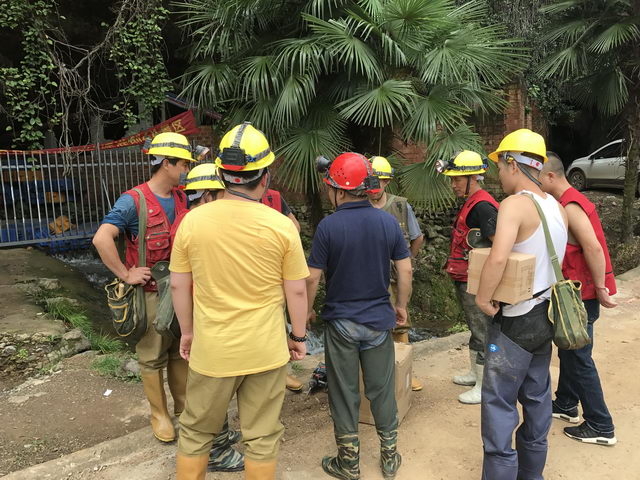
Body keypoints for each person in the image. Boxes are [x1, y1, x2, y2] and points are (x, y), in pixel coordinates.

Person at [170, 122, 309, 479]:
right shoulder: (281, 226)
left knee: (197, 432)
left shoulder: (193, 222)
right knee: (262, 437)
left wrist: (187, 333)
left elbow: (178, 286)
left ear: (220, 174)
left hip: (213, 348)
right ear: (265, 175)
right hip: (265, 348)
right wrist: (298, 336)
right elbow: (296, 289)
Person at [307, 152, 413, 480]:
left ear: (340, 190)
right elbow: (405, 269)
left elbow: (312, 277)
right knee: (382, 389)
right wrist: (401, 305)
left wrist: (307, 309)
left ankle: (349, 463)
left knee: (344, 391)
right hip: (378, 322)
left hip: (341, 323)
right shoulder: (386, 222)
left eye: (330, 188)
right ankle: (390, 456)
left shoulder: (328, 226)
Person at [475, 129, 568, 480]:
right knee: (536, 394)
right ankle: (532, 474)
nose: (498, 174)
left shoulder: (514, 205)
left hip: (515, 319)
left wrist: (483, 298)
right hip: (546, 316)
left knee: (499, 402)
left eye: (500, 165)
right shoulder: (554, 206)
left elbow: (498, 259)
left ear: (513, 164)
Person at [92, 132, 194, 443]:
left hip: (179, 291)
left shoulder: (181, 197)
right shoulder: (133, 200)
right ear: (167, 163)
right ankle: (158, 414)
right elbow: (101, 237)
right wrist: (125, 273)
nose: (187, 170)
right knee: (151, 356)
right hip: (150, 294)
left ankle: (183, 410)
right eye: (184, 164)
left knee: (180, 352)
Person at [539, 152, 618, 446]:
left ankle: (601, 424)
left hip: (582, 294)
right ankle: (566, 404)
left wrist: (600, 288)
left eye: (539, 176)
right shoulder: (567, 202)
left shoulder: (571, 206)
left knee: (579, 357)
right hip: (579, 291)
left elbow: (593, 248)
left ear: (550, 176)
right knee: (569, 351)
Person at [170, 163, 245, 472]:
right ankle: (217, 449)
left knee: (211, 387)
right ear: (211, 194)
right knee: (210, 391)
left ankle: (222, 437)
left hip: (201, 314)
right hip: (204, 317)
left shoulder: (187, 221)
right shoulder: (197, 224)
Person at [439, 150, 499, 404]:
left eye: (456, 180)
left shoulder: (483, 207)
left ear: (473, 178)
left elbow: (499, 245)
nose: (453, 185)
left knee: (483, 330)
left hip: (477, 281)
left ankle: (485, 385)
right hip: (466, 278)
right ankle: (475, 373)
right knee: (475, 329)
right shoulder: (472, 202)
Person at [368, 155, 424, 392]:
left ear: (387, 182)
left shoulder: (400, 205)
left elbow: (417, 237)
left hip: (393, 275)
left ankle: (405, 372)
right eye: (371, 180)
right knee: (371, 325)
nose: (375, 186)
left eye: (380, 180)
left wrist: (406, 260)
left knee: (400, 324)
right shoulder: (357, 204)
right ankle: (376, 374)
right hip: (368, 275)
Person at [260, 188, 306, 392]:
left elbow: (294, 226)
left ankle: (280, 371)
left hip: (271, 273)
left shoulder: (273, 197)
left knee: (276, 319)